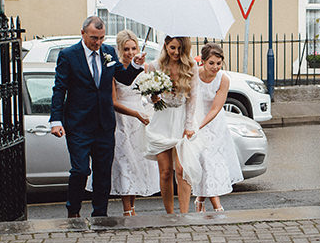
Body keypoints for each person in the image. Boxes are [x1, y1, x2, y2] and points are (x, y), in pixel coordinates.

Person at [49, 15, 120, 218]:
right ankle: (73, 211)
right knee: (80, 170)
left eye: (101, 38)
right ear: (83, 34)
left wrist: (135, 66)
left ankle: (100, 214)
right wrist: (56, 120)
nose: (97, 43)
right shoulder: (68, 55)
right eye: (93, 38)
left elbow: (122, 76)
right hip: (79, 124)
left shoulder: (109, 52)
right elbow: (59, 89)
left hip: (104, 125)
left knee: (103, 173)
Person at [104, 30, 161, 215]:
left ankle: (133, 207)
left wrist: (154, 97)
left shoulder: (143, 69)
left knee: (137, 162)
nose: (130, 52)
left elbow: (147, 97)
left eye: (133, 48)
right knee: (124, 162)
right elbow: (113, 102)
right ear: (120, 50)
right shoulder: (115, 70)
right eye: (126, 49)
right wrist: (135, 114)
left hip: (140, 119)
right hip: (122, 120)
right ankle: (127, 209)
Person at [143, 35, 197, 214]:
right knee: (166, 172)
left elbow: (192, 99)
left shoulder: (191, 66)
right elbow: (147, 97)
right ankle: (170, 214)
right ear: (166, 45)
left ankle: (184, 214)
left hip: (181, 120)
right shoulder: (154, 66)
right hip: (162, 120)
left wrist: (189, 124)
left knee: (181, 169)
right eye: (172, 48)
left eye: (180, 49)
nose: (176, 52)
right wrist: (153, 98)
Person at [189, 43, 245, 212]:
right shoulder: (194, 76)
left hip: (214, 124)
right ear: (203, 62)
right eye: (211, 63)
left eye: (218, 63)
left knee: (212, 163)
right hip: (196, 120)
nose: (215, 67)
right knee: (205, 163)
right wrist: (192, 125)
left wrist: (199, 126)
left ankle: (209, 203)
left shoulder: (223, 79)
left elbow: (215, 108)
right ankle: (206, 202)